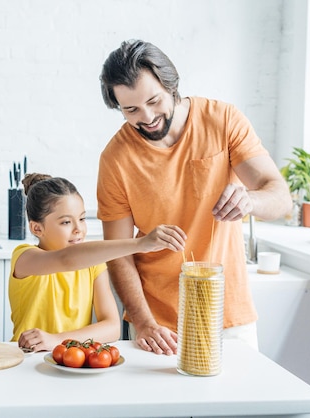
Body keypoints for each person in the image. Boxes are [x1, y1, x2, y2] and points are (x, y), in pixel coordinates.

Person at [97, 40, 292, 355]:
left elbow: (281, 198)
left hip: (228, 315)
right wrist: (144, 322)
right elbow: (118, 253)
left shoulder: (222, 120)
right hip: (157, 326)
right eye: (130, 109)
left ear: (171, 86)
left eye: (154, 101)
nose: (146, 117)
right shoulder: (115, 158)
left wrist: (250, 201)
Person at [9, 173, 186, 352]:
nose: (78, 229)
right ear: (37, 228)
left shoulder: (94, 264)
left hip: (71, 360)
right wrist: (139, 244)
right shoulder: (24, 257)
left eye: (82, 219)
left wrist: (56, 340)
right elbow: (66, 259)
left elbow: (112, 328)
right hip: (26, 358)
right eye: (66, 222)